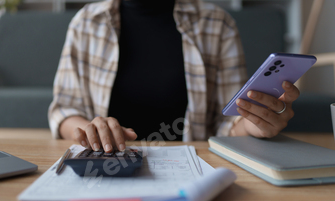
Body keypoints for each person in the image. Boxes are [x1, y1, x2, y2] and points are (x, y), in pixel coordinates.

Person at [48, 0, 299, 153]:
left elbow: (227, 122)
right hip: (108, 165)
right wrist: (92, 131)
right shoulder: (86, 23)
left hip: (196, 166)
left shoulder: (217, 24)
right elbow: (63, 110)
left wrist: (252, 123)